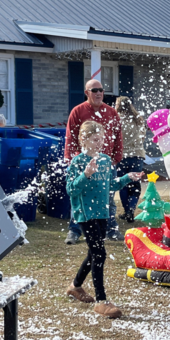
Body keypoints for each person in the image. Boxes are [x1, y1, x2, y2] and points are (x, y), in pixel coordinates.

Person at [65, 121, 142, 318]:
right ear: (84, 139)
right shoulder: (78, 162)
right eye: (95, 139)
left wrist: (127, 177)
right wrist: (85, 175)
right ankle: (101, 301)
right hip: (85, 214)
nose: (100, 143)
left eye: (102, 139)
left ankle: (75, 286)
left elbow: (111, 185)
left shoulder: (106, 160)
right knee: (99, 253)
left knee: (94, 251)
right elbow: (71, 190)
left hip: (102, 213)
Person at [64, 79, 123, 244]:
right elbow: (71, 137)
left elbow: (118, 136)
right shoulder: (78, 111)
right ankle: (74, 231)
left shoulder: (111, 112)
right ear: (87, 93)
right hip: (84, 163)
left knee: (109, 198)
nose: (98, 93)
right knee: (79, 197)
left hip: (106, 163)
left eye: (101, 90)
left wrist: (116, 159)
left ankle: (111, 228)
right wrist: (74, 159)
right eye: (94, 90)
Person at [115, 97, 147, 222]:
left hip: (122, 156)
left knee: (123, 184)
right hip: (137, 155)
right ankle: (131, 211)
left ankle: (126, 210)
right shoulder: (138, 119)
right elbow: (142, 137)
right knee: (135, 186)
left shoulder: (117, 119)